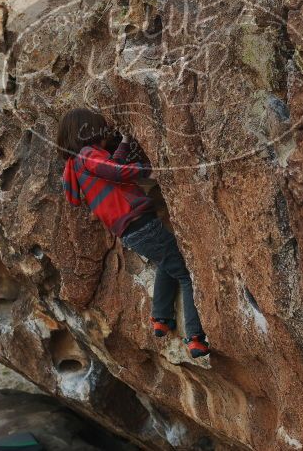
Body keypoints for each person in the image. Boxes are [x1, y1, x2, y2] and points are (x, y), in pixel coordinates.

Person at [57, 108, 210, 358]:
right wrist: (149, 170)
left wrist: (125, 144)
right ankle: (195, 337)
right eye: (100, 129)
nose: (105, 134)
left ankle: (161, 319)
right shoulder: (87, 154)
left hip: (129, 230)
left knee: (166, 261)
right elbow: (117, 172)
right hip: (140, 221)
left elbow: (111, 167)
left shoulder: (77, 164)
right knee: (185, 273)